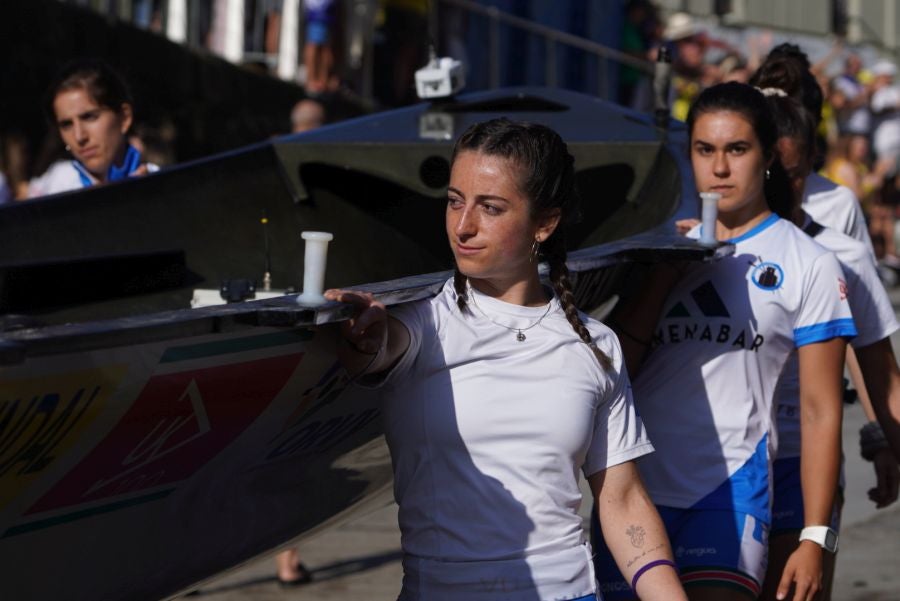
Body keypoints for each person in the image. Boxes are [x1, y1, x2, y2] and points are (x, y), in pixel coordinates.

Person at [324, 118, 688, 600]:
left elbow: (621, 500)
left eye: (490, 208)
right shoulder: (421, 324)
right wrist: (362, 336)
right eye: (455, 201)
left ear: (545, 223)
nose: (463, 226)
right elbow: (376, 350)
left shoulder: (595, 344)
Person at [593, 82, 855, 601]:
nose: (719, 168)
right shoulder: (656, 246)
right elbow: (610, 371)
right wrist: (665, 272)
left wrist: (814, 536)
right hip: (633, 492)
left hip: (731, 495)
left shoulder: (809, 262)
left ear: (768, 156)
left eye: (737, 150)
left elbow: (821, 411)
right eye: (704, 150)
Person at [758, 91, 900, 601]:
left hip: (803, 466)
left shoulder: (839, 254)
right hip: (717, 471)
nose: (782, 187)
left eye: (795, 174)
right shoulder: (700, 248)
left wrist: (886, 440)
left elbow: (881, 373)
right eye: (773, 171)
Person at [28, 59, 157, 198]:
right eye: (66, 125)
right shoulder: (54, 190)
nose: (79, 136)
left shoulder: (162, 186)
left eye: (89, 117)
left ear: (124, 117)